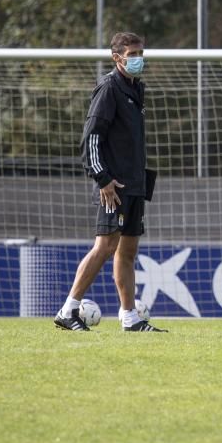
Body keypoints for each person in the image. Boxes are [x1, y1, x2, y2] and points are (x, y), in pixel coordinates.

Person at [54, 31, 167, 332]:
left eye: (141, 54)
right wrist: (102, 179)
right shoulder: (108, 88)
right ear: (117, 58)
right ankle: (69, 309)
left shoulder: (136, 88)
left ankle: (129, 317)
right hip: (113, 186)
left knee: (127, 251)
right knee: (105, 246)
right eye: (132, 55)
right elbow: (90, 140)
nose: (139, 60)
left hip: (135, 184)